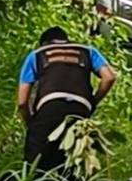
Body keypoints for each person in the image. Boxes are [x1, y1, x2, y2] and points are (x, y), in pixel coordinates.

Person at [17, 26, 116, 172]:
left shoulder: (36, 55)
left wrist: (32, 125)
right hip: (80, 111)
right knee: (74, 165)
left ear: (44, 43)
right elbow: (109, 77)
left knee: (35, 167)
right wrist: (92, 102)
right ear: (66, 40)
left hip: (49, 110)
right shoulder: (88, 51)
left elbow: (22, 102)